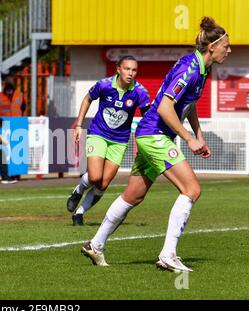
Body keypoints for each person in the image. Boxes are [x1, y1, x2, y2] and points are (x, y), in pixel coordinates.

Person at [81, 17, 231, 271]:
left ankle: (95, 244)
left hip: (153, 135)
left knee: (134, 195)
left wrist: (199, 134)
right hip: (154, 135)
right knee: (191, 189)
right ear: (212, 47)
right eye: (226, 45)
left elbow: (188, 103)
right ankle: (168, 255)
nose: (229, 50)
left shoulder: (202, 69)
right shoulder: (190, 69)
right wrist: (188, 139)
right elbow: (164, 107)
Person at [67, 56, 150, 226]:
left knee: (103, 184)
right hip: (98, 134)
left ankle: (80, 213)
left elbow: (148, 117)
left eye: (134, 70)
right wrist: (79, 125)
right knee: (96, 176)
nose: (131, 73)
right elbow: (87, 99)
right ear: (118, 69)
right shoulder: (104, 85)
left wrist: (145, 140)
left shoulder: (140, 92)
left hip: (119, 141)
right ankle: (79, 190)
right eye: (127, 69)